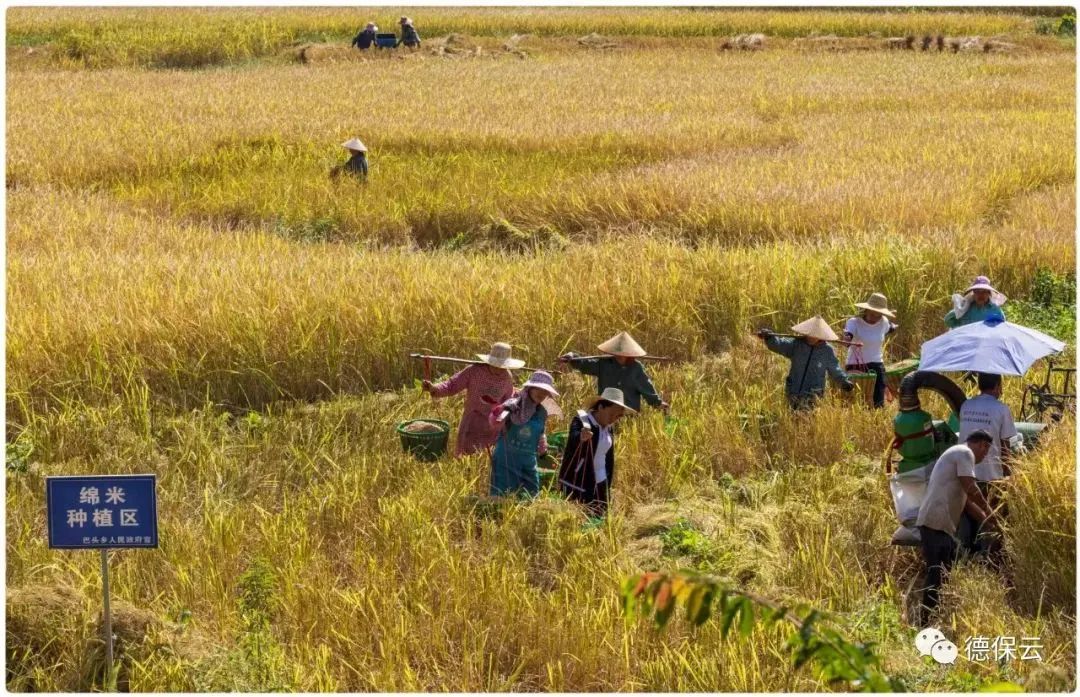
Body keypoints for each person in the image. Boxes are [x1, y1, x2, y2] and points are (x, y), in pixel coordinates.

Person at [915, 430, 997, 626]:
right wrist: (991, 511)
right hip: (935, 522)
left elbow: (967, 502)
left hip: (940, 524)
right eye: (986, 449)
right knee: (936, 574)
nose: (985, 455)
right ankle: (923, 623)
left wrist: (988, 520)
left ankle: (932, 619)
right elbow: (971, 488)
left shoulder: (958, 457)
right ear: (981, 445)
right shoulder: (964, 452)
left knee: (944, 573)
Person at [956, 372, 1017, 559]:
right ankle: (988, 557)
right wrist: (1009, 475)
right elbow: (1006, 447)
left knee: (967, 513)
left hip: (965, 471)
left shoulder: (966, 405)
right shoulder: (1001, 409)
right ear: (998, 386)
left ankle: (963, 554)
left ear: (979, 385)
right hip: (991, 473)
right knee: (991, 515)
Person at [422, 342, 519, 457]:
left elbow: (507, 402)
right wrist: (434, 388)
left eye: (502, 365)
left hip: (491, 426)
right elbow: (452, 385)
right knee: (465, 457)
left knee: (484, 459)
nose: (498, 368)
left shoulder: (507, 377)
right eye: (495, 364)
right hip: (471, 423)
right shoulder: (474, 371)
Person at [558, 387, 634, 519]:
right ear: (600, 407)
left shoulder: (608, 428)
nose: (614, 419)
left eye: (617, 417)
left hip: (601, 479)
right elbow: (573, 439)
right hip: (580, 479)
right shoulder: (582, 421)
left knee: (600, 517)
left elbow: (608, 456)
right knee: (580, 518)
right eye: (611, 414)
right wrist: (581, 437)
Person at [758, 316, 855, 411]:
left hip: (813, 395)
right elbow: (779, 345)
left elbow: (835, 370)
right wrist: (769, 338)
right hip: (793, 391)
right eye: (810, 333)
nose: (811, 336)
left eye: (815, 334)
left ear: (821, 335)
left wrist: (844, 382)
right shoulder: (796, 345)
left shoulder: (827, 351)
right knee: (792, 419)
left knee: (808, 421)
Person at [558, 331, 668, 413]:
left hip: (626, 413)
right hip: (605, 410)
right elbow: (585, 364)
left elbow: (646, 388)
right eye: (617, 352)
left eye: (623, 353)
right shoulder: (604, 363)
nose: (619, 355)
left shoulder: (635, 368)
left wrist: (658, 403)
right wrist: (572, 358)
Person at [489, 370, 559, 497]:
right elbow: (494, 422)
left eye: (545, 391)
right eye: (538, 389)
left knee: (531, 495)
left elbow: (541, 432)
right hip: (506, 458)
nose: (541, 393)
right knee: (502, 496)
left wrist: (543, 447)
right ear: (530, 388)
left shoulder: (542, 412)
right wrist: (502, 410)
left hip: (528, 460)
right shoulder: (514, 404)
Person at [843, 292, 899, 409]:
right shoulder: (854, 322)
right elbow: (848, 336)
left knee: (878, 400)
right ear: (866, 311)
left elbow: (890, 327)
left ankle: (877, 420)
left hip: (877, 364)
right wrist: (847, 339)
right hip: (856, 365)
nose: (875, 318)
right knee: (858, 400)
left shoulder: (883, 322)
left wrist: (894, 326)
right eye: (872, 314)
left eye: (878, 315)